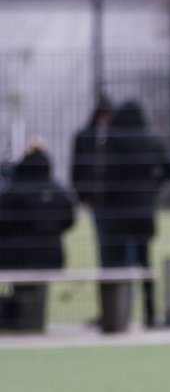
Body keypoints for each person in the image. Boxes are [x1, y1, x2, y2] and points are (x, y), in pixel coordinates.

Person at [99, 100, 170, 329]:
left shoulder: (114, 142)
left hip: (120, 212)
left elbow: (108, 177)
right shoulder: (151, 141)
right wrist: (152, 188)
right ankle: (150, 314)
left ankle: (121, 316)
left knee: (121, 265)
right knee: (145, 263)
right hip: (144, 210)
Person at [0, 142, 76, 330]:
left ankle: (20, 319)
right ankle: (30, 319)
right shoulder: (58, 191)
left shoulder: (12, 192)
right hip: (52, 257)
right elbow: (69, 221)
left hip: (14, 258)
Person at [70, 98, 112, 268]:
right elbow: (77, 168)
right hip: (94, 198)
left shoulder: (116, 138)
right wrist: (82, 196)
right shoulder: (83, 137)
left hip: (112, 199)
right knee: (102, 239)